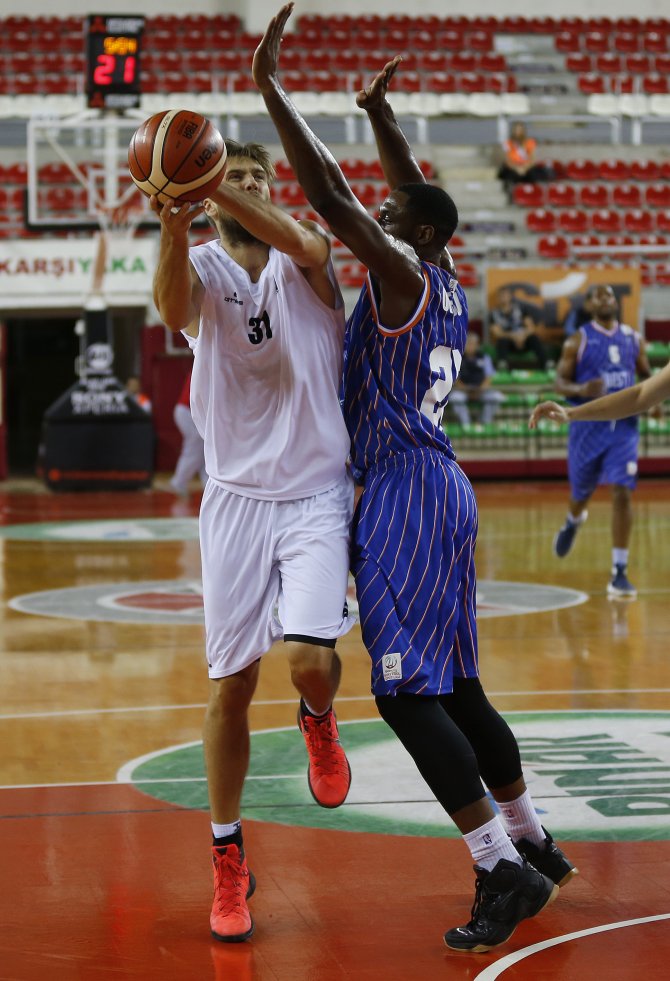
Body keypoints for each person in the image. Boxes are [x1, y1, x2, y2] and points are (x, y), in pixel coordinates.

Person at [253, 4, 576, 954]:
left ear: (416, 237)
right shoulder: (446, 275)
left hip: (403, 489)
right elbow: (408, 194)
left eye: (394, 220)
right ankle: (533, 839)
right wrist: (379, 113)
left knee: (403, 694)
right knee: (461, 686)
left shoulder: (402, 272)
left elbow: (334, 197)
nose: (382, 216)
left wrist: (273, 88)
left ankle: (499, 866)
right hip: (441, 487)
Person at [151, 137, 355, 943]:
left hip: (315, 492)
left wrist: (208, 184)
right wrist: (173, 228)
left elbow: (303, 240)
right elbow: (171, 311)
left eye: (254, 178)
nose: (243, 187)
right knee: (230, 687)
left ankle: (318, 715)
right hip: (235, 499)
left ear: (272, 188)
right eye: (229, 176)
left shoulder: (306, 255)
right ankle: (227, 855)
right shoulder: (203, 264)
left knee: (308, 659)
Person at [530, 283, 651, 599]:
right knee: (581, 493)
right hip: (587, 427)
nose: (605, 299)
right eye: (598, 297)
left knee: (622, 491)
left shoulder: (633, 338)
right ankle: (573, 520)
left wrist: (655, 404)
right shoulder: (578, 340)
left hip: (624, 427)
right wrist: (581, 390)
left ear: (615, 302)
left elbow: (646, 376)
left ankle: (619, 571)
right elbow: (559, 382)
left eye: (609, 295)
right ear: (589, 306)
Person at [448, 332, 506, 428]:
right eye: (468, 344)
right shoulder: (457, 358)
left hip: (480, 389)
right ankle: (466, 424)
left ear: (477, 345)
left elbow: (489, 377)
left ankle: (484, 423)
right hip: (463, 390)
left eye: (473, 344)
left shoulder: (484, 357)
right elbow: (454, 378)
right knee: (455, 398)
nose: (470, 346)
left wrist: (480, 390)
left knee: (497, 397)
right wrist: (466, 390)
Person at [488, 286, 548, 370]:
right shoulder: (494, 314)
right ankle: (502, 366)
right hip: (509, 342)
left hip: (524, 340)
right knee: (502, 341)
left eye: (505, 295)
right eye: (501, 295)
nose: (503, 297)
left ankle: (545, 365)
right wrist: (513, 336)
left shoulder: (520, 309)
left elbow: (531, 328)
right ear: (498, 298)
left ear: (510, 296)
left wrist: (522, 336)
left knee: (534, 338)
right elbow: (497, 333)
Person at [169, 365, 206, 497]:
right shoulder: (203, 367)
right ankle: (178, 481)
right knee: (194, 447)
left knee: (203, 449)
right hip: (186, 411)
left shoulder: (205, 366)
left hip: (187, 411)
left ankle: (207, 484)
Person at [497, 120, 553, 191]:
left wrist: (525, 168)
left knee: (534, 174)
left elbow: (532, 159)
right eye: (516, 130)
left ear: (523, 131)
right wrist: (517, 168)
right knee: (509, 174)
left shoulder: (530, 142)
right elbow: (508, 159)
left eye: (520, 130)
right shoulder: (508, 143)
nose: (518, 132)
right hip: (514, 167)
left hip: (526, 167)